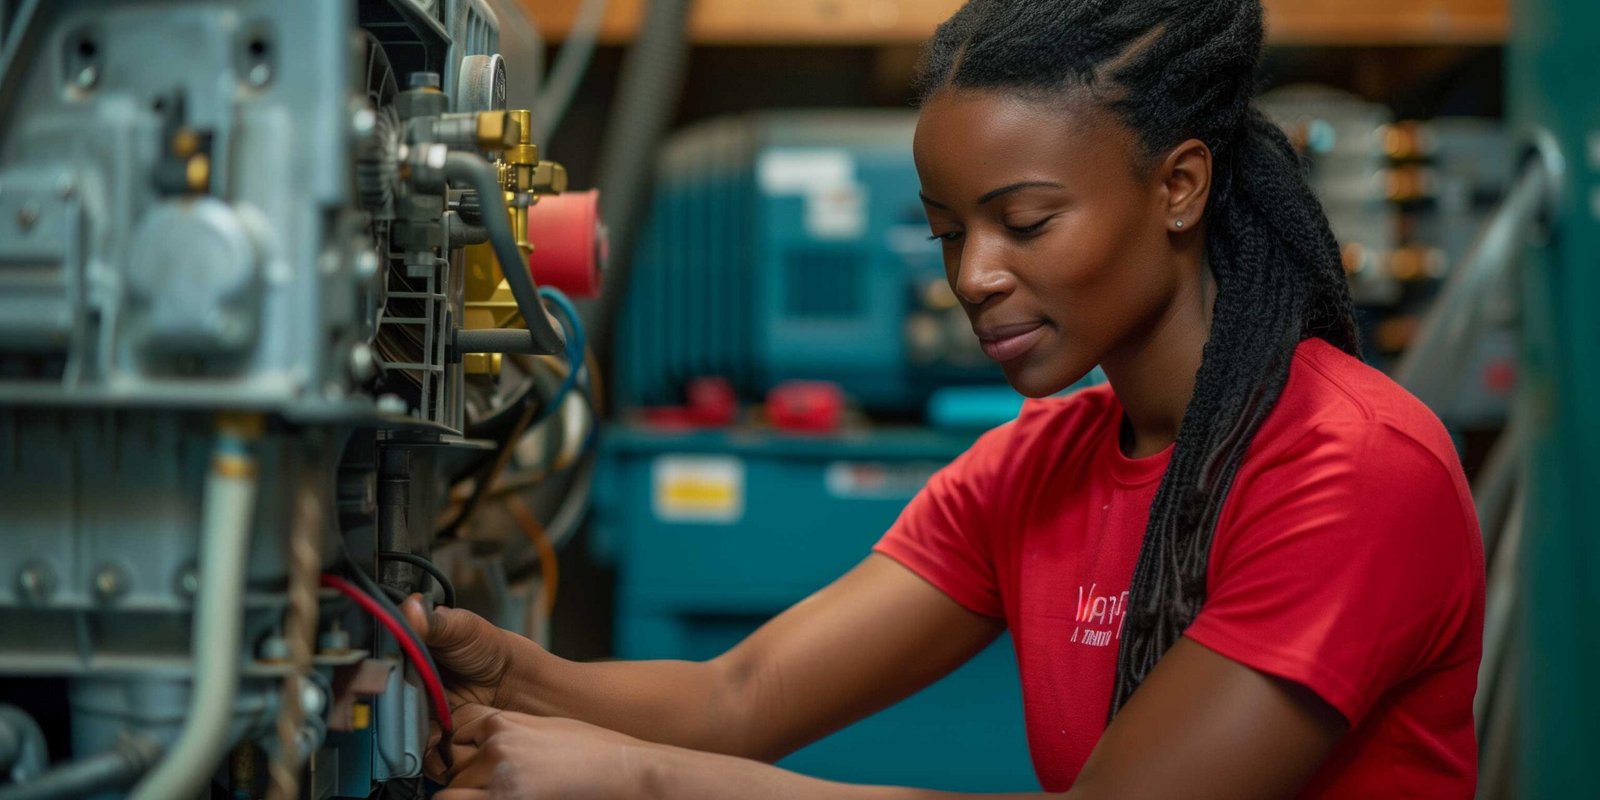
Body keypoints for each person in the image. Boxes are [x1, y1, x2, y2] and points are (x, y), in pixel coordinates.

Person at [406, 0, 1485, 796]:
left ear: (1178, 186)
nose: (972, 275)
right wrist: (511, 671)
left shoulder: (1348, 465)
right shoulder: (1040, 462)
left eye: (1023, 221)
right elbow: (737, 696)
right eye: (948, 230)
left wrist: (640, 778)